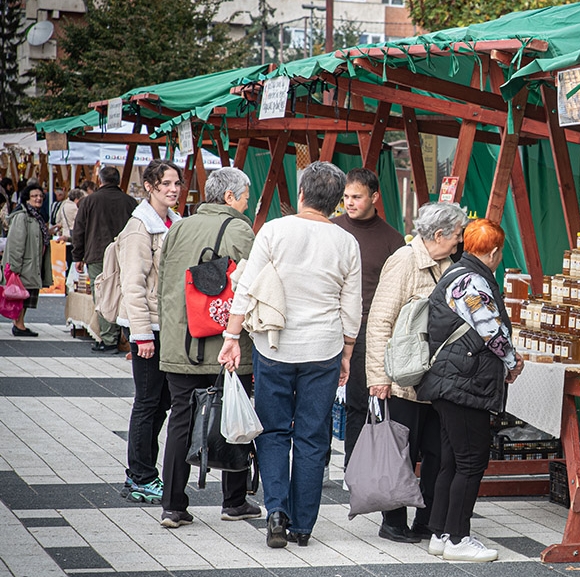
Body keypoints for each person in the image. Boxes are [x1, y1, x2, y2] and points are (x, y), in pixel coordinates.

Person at [219, 162, 362, 549]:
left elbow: (246, 288)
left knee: (274, 430)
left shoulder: (274, 230)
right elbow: (352, 305)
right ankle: (303, 526)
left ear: (301, 194)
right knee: (314, 437)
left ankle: (276, 511)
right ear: (335, 202)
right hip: (325, 348)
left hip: (274, 346)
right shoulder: (346, 242)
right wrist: (348, 352)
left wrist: (232, 336)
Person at [157, 167, 261, 528]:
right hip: (224, 348)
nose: (248, 204)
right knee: (232, 417)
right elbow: (255, 283)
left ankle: (172, 505)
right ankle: (233, 501)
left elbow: (164, 283)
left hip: (179, 345)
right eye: (246, 196)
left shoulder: (179, 227)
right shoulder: (238, 230)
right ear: (230, 197)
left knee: (180, 422)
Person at [417, 218, 523, 563]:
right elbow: (490, 330)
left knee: (452, 460)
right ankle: (459, 538)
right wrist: (512, 361)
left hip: (451, 380)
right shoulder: (471, 281)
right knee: (471, 462)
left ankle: (440, 533)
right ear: (493, 252)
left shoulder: (454, 272)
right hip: (465, 383)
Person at [365, 200, 466, 544]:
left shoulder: (448, 263)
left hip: (434, 380)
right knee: (400, 452)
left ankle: (428, 519)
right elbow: (380, 320)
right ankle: (393, 521)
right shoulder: (404, 262)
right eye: (456, 235)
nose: (459, 240)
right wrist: (377, 376)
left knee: (437, 452)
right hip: (402, 378)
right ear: (438, 235)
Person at [330, 168, 405, 508]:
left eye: (356, 197)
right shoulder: (332, 230)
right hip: (329, 326)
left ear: (374, 197)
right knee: (317, 402)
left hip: (366, 331)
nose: (349, 203)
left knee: (361, 404)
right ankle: (312, 468)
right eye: (345, 197)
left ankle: (352, 470)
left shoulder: (392, 239)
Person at [115, 159, 183, 504]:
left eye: (176, 183)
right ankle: (140, 475)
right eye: (166, 183)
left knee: (161, 403)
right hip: (150, 328)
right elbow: (133, 285)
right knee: (147, 402)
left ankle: (142, 472)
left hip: (169, 327)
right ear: (150, 187)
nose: (173, 189)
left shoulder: (175, 222)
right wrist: (141, 335)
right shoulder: (139, 227)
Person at [73, 166, 136, 352]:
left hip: (97, 253)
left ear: (100, 181)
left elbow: (79, 230)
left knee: (102, 295)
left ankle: (108, 339)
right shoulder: (130, 202)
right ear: (118, 181)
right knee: (124, 293)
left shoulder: (89, 201)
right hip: (125, 254)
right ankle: (124, 336)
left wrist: (78, 255)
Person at [1, 185, 53, 337]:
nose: (38, 198)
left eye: (40, 196)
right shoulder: (23, 216)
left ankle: (19, 324)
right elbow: (17, 242)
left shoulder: (34, 215)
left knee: (26, 295)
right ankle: (19, 325)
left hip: (31, 263)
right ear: (27, 198)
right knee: (21, 295)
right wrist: (15, 266)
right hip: (24, 265)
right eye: (34, 196)